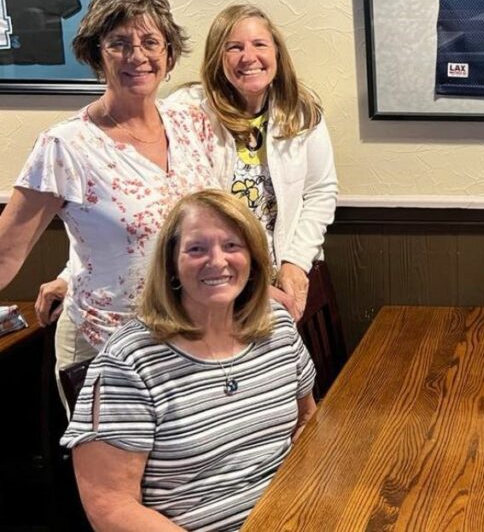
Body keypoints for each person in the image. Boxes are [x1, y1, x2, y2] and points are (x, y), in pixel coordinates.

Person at [0, 0, 219, 400]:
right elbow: (5, 253)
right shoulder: (66, 146)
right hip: (109, 348)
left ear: (169, 55)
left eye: (151, 42)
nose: (137, 55)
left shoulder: (192, 124)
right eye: (119, 43)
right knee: (117, 467)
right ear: (96, 55)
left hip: (191, 340)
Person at [62, 189, 317, 532]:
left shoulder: (276, 325)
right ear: (171, 262)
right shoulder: (130, 360)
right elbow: (109, 507)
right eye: (197, 249)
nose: (217, 261)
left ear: (254, 258)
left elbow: (307, 421)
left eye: (232, 246)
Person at [191, 4, 337, 320]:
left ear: (277, 54)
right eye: (234, 47)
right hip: (217, 282)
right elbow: (190, 214)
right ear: (217, 58)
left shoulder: (302, 111)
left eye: (260, 44)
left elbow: (321, 192)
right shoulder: (191, 115)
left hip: (286, 275)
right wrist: (249, 284)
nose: (249, 57)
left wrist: (295, 262)